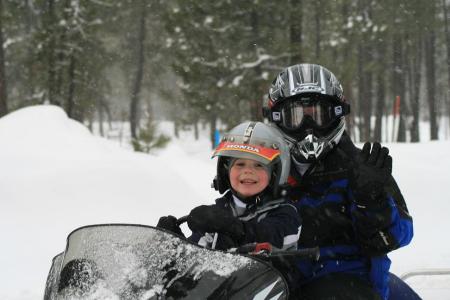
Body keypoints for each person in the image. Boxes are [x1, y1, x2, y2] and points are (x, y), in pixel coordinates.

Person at [263, 63, 414, 300]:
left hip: (347, 284)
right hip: (275, 282)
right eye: (297, 117)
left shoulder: (361, 168)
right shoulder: (262, 168)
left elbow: (400, 234)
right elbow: (236, 213)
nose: (308, 127)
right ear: (277, 117)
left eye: (318, 115)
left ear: (336, 114)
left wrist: (372, 202)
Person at [157, 121, 301, 252]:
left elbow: (274, 235)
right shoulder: (220, 212)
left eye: (258, 165)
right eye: (240, 164)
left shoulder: (286, 213)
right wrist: (174, 244)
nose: (248, 171)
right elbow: (197, 255)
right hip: (221, 280)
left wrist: (235, 228)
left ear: (275, 174)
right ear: (226, 171)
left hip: (270, 279)